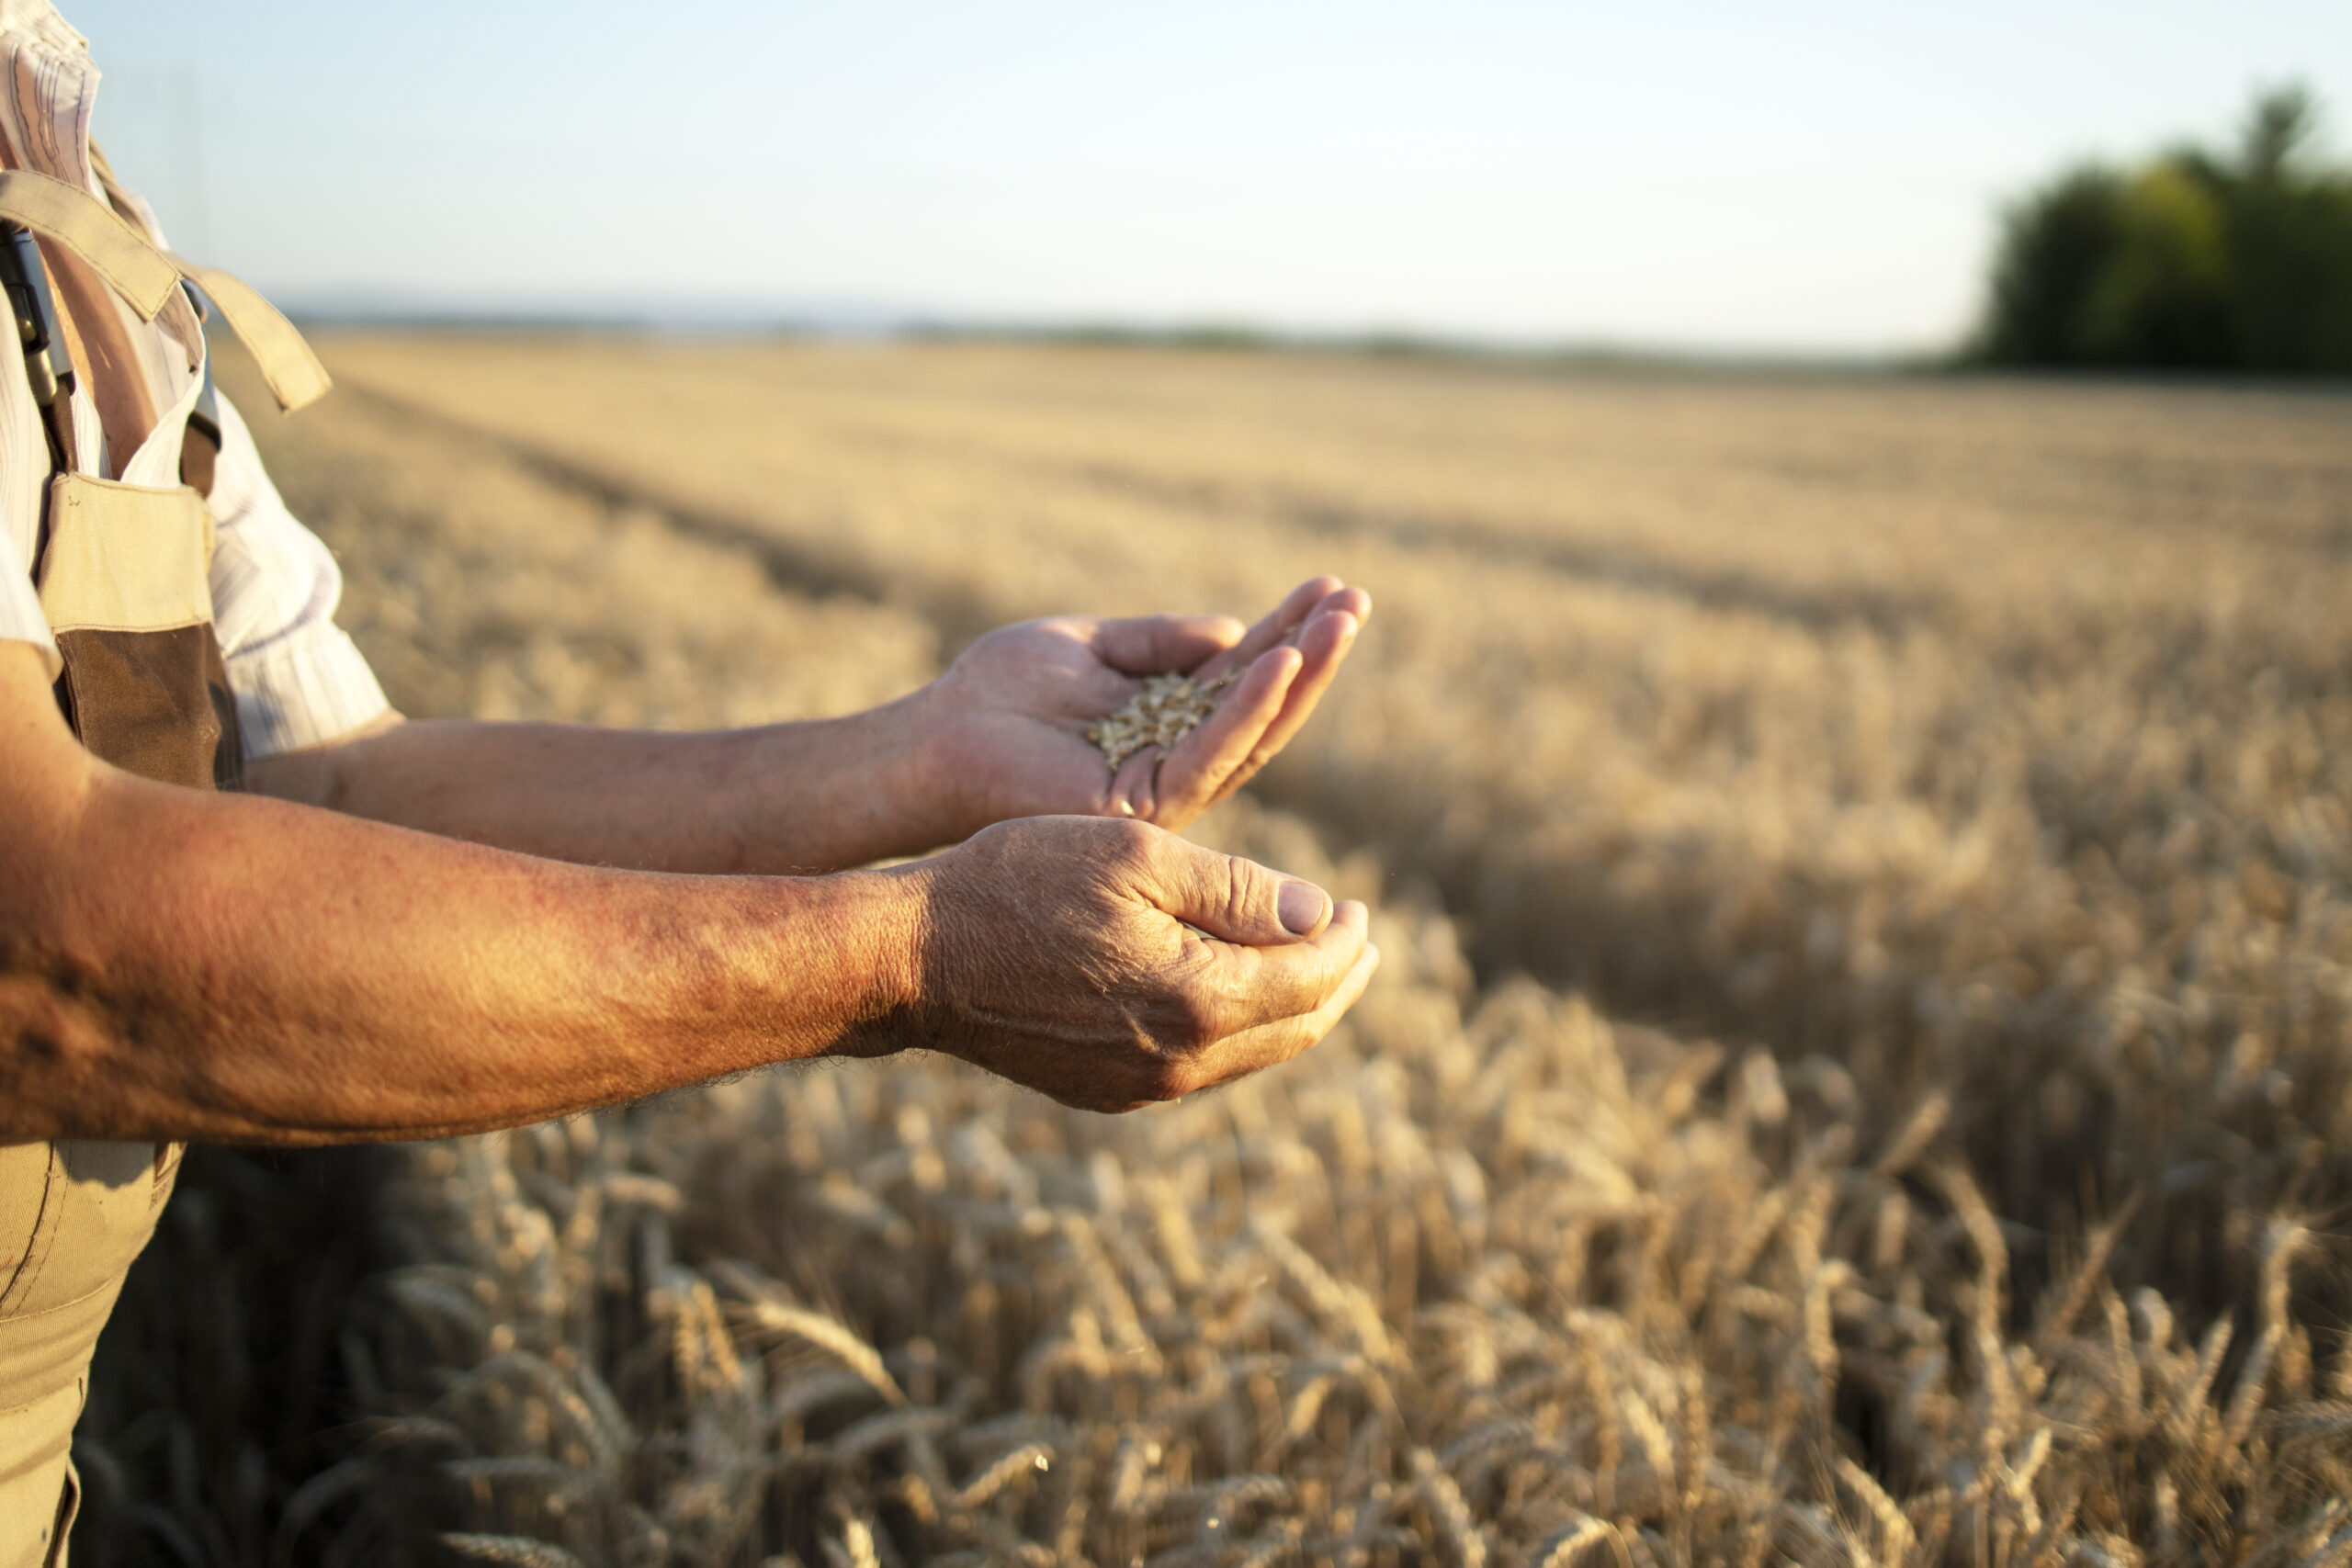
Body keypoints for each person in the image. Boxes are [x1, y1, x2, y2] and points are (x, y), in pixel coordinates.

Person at [0, 4, 1376, 1561]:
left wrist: (917, 754)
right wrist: (915, 955)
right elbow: (40, 941)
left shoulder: (65, 192)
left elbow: (315, 791)